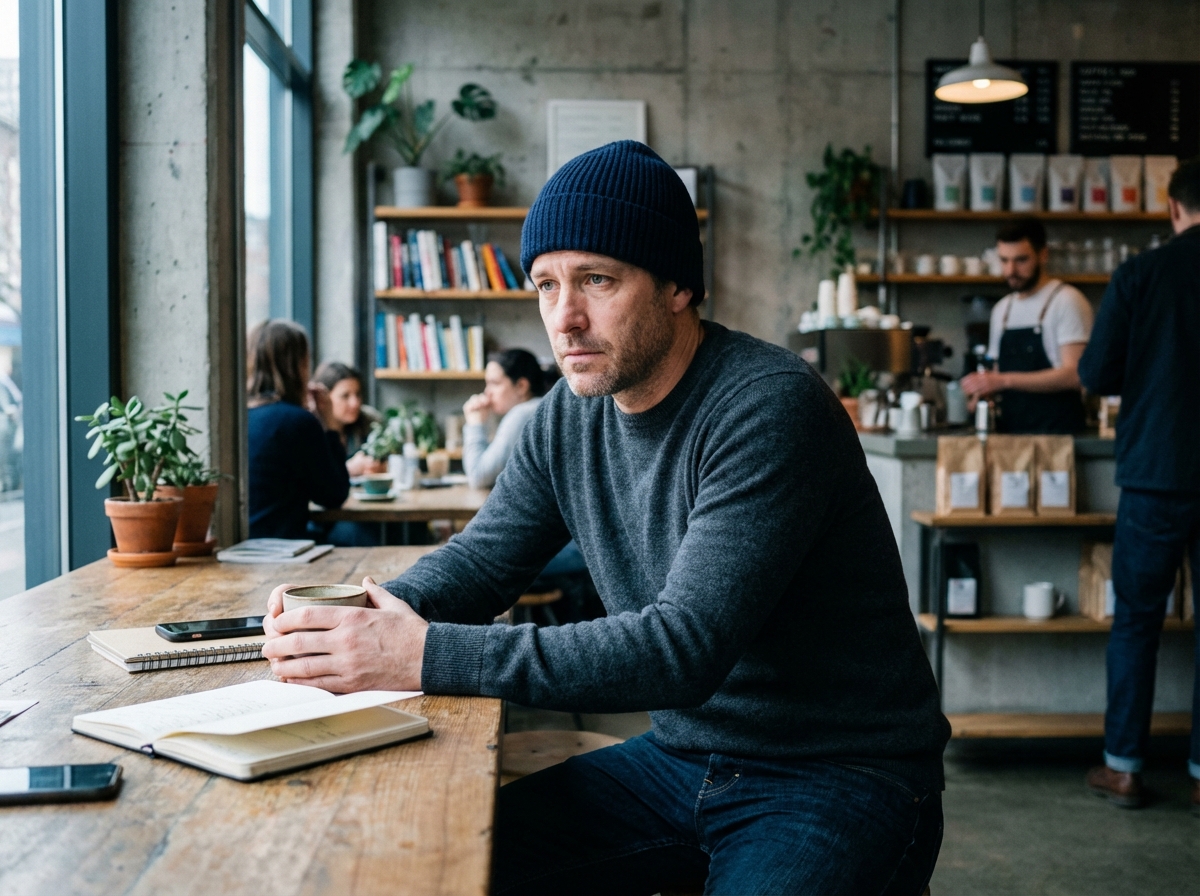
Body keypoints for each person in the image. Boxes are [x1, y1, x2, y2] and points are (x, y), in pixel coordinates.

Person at [261, 141, 949, 895]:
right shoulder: (567, 415)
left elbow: (681, 649)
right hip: (684, 759)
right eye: (546, 285)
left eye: (597, 279)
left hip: (839, 773)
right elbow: (485, 562)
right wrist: (346, 621)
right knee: (435, 869)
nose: (566, 318)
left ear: (678, 285)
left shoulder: (768, 406)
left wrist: (419, 654)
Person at [1078, 156, 1200, 812]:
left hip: (1156, 468)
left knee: (1136, 623)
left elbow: (1094, 373)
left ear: (1174, 209)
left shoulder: (1141, 273)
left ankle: (1124, 767)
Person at [961, 217, 1094, 433]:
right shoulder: (1002, 309)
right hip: (1010, 434)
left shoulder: (1066, 300)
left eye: (1021, 260)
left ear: (1043, 254)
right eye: (1004, 260)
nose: (1011, 270)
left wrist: (1003, 381)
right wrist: (981, 392)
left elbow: (1075, 375)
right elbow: (997, 373)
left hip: (1057, 435)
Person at [247, 320, 349, 539]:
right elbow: (334, 495)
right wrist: (329, 425)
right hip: (282, 550)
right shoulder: (298, 422)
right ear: (298, 366)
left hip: (239, 547)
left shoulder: (238, 417)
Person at [461, 349, 546, 490]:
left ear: (521, 386)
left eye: (494, 383)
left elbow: (478, 477)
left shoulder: (522, 414)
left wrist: (475, 424)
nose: (487, 392)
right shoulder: (538, 408)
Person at [312, 361, 385, 477]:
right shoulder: (310, 428)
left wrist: (379, 466)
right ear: (323, 398)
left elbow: (392, 459)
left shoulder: (370, 420)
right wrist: (348, 469)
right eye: (345, 396)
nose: (355, 403)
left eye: (358, 394)